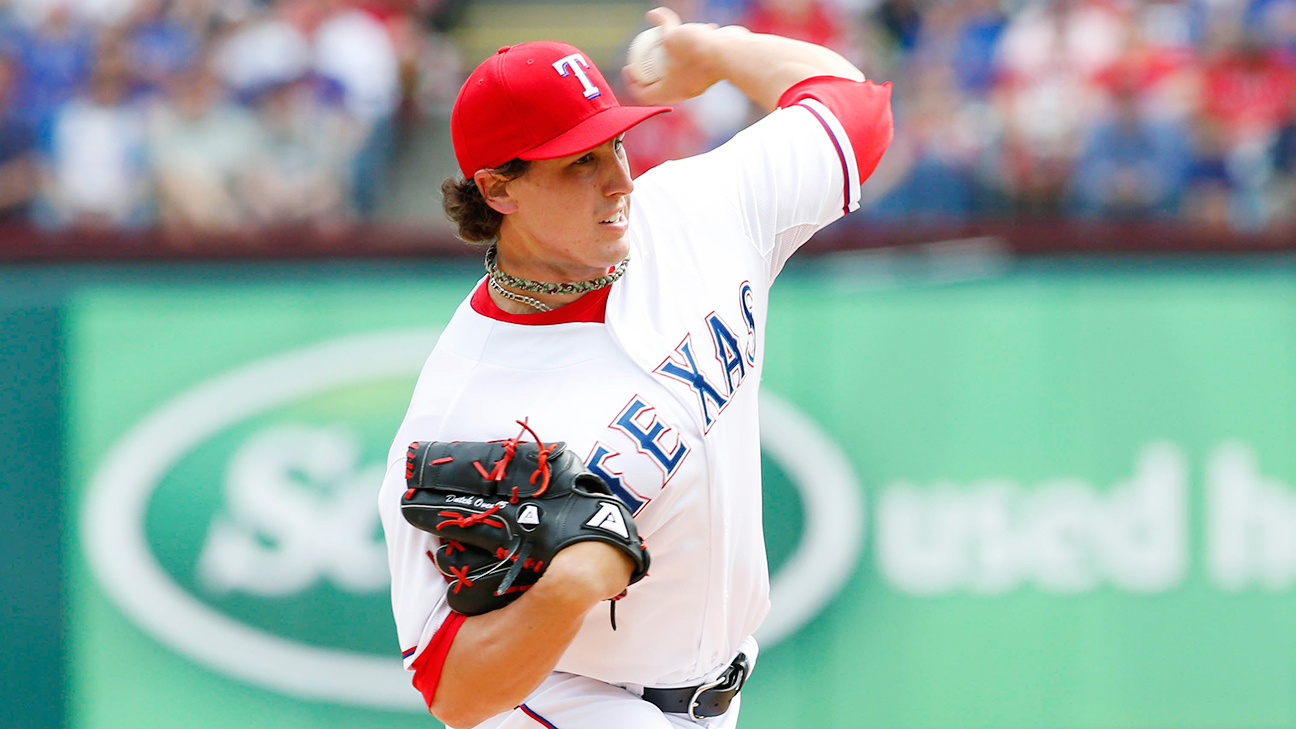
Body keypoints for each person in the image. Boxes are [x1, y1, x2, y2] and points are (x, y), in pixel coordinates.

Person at [378, 7, 892, 728]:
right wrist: (565, 587)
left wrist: (719, 50)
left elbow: (854, 110)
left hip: (720, 691)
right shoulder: (461, 406)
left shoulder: (694, 212)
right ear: (497, 189)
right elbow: (454, 692)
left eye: (614, 144)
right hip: (571, 702)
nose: (617, 178)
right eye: (577, 162)